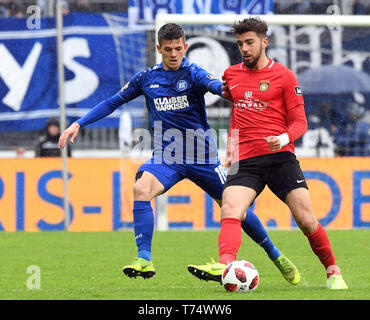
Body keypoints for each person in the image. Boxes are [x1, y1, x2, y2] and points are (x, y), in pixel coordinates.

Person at [58, 23, 299, 284]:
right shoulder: (146, 79)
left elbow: (219, 87)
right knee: (141, 189)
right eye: (168, 50)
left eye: (178, 49)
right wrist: (78, 123)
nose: (174, 54)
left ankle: (275, 255)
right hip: (167, 157)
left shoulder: (194, 73)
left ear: (185, 47)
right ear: (159, 48)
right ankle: (144, 259)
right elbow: (112, 101)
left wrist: (244, 95)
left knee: (235, 209)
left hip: (203, 158)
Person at [187, 18, 348, 290]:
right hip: (245, 161)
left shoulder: (284, 76)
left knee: (306, 220)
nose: (244, 49)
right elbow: (237, 112)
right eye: (240, 44)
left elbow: (300, 121)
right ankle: (225, 264)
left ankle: (333, 271)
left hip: (280, 158)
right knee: (230, 207)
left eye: (249, 42)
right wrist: (232, 146)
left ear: (265, 41)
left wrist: (284, 137)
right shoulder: (231, 75)